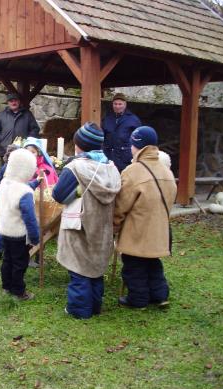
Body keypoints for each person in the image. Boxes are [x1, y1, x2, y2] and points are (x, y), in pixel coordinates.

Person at [52, 123, 121, 319]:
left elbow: (58, 194)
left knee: (79, 268)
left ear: (79, 144)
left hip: (80, 225)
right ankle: (95, 306)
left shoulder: (76, 168)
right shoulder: (111, 167)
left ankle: (79, 310)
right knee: (95, 268)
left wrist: (76, 191)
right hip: (102, 226)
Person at [114, 126, 177, 308]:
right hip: (159, 228)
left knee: (134, 266)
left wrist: (114, 225)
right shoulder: (166, 170)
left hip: (138, 230)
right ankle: (160, 295)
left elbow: (121, 205)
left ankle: (138, 299)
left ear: (138, 146)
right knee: (153, 263)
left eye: (132, 145)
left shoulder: (133, 171)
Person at [0, 148, 40, 301]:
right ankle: (18, 291)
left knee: (7, 259)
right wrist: (35, 238)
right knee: (19, 263)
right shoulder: (25, 193)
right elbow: (30, 218)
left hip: (5, 230)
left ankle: (6, 286)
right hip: (19, 234)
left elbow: (18, 190)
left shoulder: (4, 183)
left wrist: (35, 183)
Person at [0, 92, 40, 159]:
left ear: (19, 101)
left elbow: (35, 129)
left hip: (23, 150)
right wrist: (0, 139)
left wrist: (27, 141)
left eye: (15, 100)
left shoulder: (27, 114)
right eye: (11, 101)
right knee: (6, 169)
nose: (14, 103)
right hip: (5, 150)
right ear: (8, 103)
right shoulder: (1, 115)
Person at [102, 93, 141, 173]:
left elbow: (138, 140)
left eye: (120, 104)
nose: (117, 106)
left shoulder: (133, 120)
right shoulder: (107, 118)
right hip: (108, 157)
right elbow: (102, 136)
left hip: (125, 158)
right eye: (115, 104)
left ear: (125, 104)